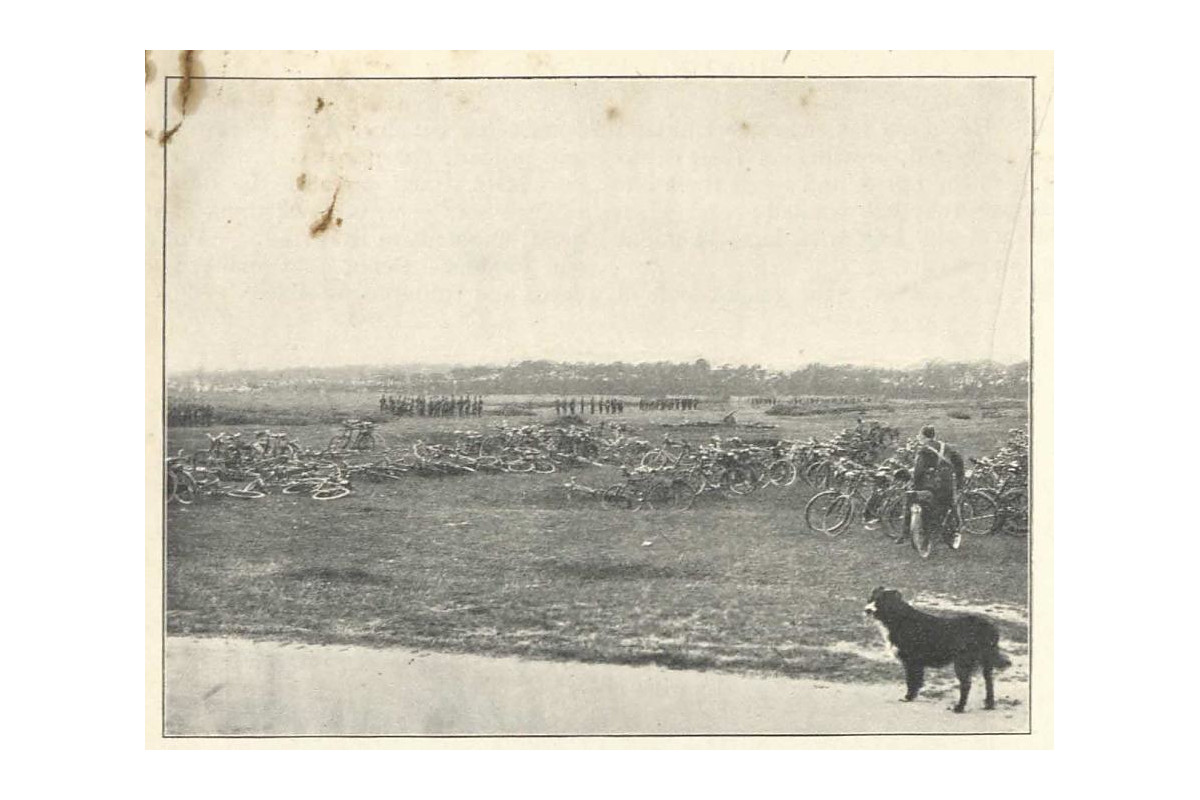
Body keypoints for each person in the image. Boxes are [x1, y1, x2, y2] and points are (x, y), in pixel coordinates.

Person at [909, 425, 966, 549]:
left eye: (919, 435)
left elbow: (918, 471)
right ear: (934, 436)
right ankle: (952, 531)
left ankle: (925, 533)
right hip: (947, 483)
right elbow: (959, 463)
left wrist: (915, 485)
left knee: (926, 505)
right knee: (948, 506)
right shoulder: (947, 447)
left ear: (923, 436)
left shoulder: (924, 450)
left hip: (929, 485)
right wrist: (960, 479)